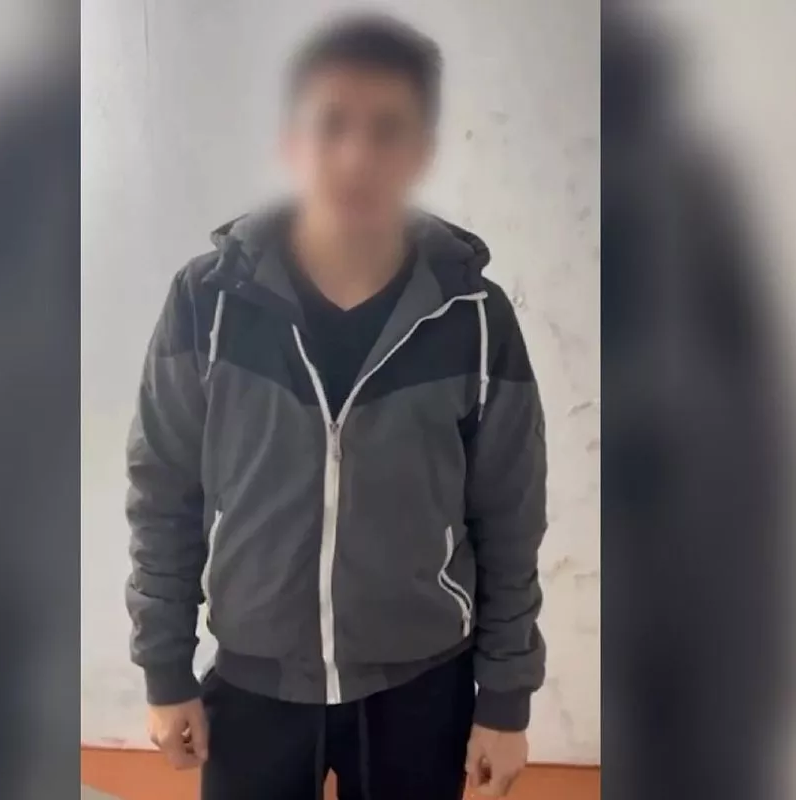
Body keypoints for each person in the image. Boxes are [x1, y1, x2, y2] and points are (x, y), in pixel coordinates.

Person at [126, 13, 547, 799]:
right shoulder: (208, 303)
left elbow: (510, 520)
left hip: (421, 688)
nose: (357, 155)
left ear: (422, 150)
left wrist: (505, 700)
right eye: (332, 124)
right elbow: (164, 495)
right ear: (291, 140)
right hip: (251, 685)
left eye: (387, 129)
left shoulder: (476, 319)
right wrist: (164, 667)